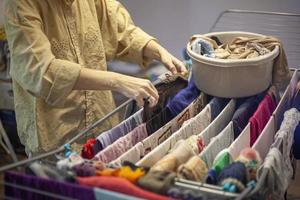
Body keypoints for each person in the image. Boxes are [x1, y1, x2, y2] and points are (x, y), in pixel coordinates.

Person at [4, 0, 187, 155]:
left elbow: (121, 30)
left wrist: (160, 53)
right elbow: (41, 71)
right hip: (56, 139)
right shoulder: (21, 5)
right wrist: (118, 81)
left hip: (103, 129)